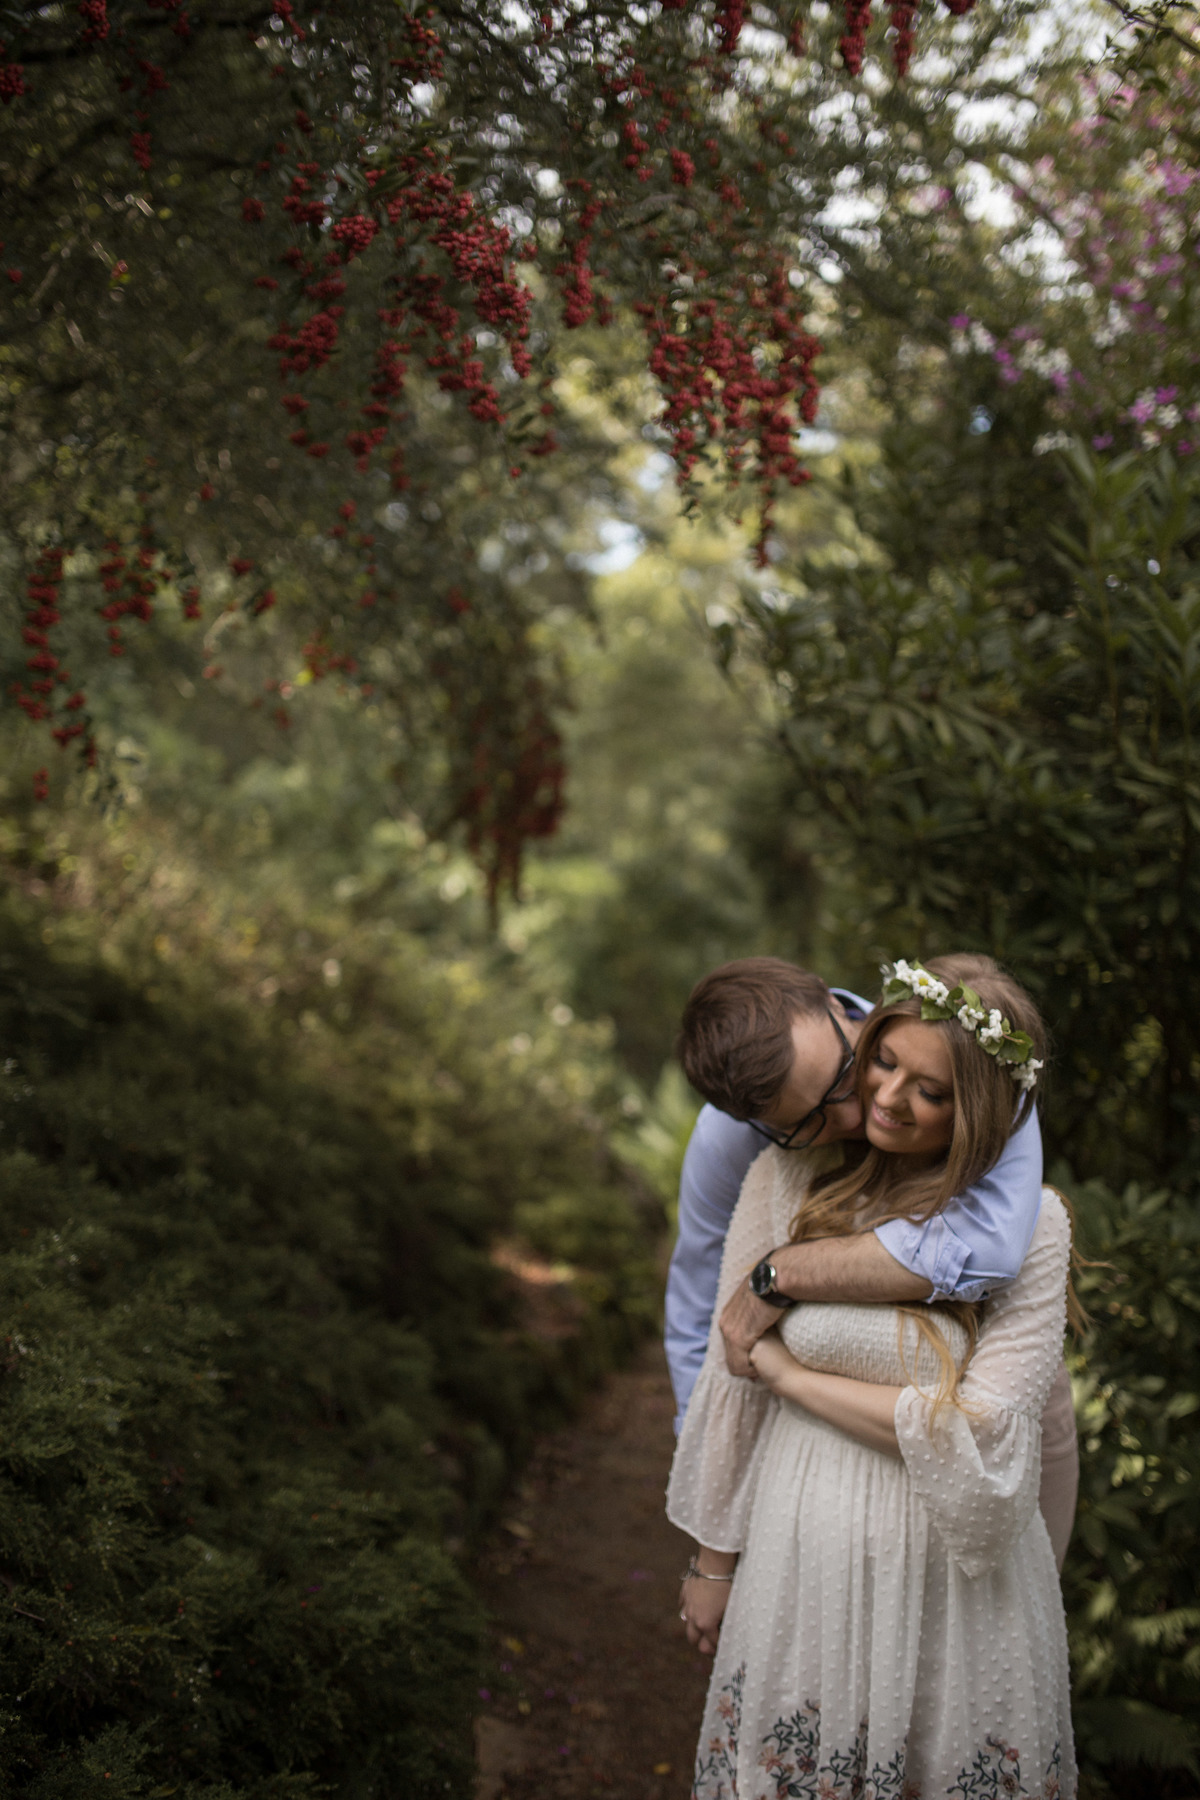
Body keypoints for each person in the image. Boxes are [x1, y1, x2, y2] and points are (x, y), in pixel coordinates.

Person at [667, 955, 1076, 1798]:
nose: (879, 1101)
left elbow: (994, 1433)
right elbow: (721, 1363)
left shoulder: (1027, 1222)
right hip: (799, 1567)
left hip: (960, 1596)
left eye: (930, 1090)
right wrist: (714, 1560)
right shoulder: (781, 1173)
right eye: (883, 1067)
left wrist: (787, 1369)